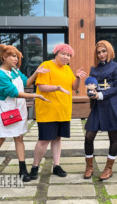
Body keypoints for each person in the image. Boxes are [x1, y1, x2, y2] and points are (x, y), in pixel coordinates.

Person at [0, 44, 49, 184]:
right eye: (13, 56)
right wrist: (36, 96)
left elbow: (27, 83)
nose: (16, 59)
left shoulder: (15, 71)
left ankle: (22, 170)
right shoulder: (0, 74)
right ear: (4, 57)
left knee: (19, 138)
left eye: (17, 57)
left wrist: (37, 72)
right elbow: (14, 93)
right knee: (0, 139)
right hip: (6, 111)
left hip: (19, 110)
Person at [30, 43, 87, 179]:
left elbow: (74, 87)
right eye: (63, 54)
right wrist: (57, 88)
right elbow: (42, 87)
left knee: (57, 138)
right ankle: (34, 166)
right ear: (56, 53)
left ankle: (56, 165)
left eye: (68, 55)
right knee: (44, 140)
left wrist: (78, 77)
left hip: (63, 110)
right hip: (47, 110)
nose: (66, 57)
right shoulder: (46, 65)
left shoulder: (67, 69)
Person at [84, 40, 117, 181]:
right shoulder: (93, 69)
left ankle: (109, 168)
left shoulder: (116, 67)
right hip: (97, 107)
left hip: (111, 105)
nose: (101, 54)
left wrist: (100, 94)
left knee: (113, 137)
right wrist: (90, 92)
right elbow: (91, 85)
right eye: (99, 52)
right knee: (88, 136)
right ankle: (89, 167)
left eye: (104, 51)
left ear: (109, 51)